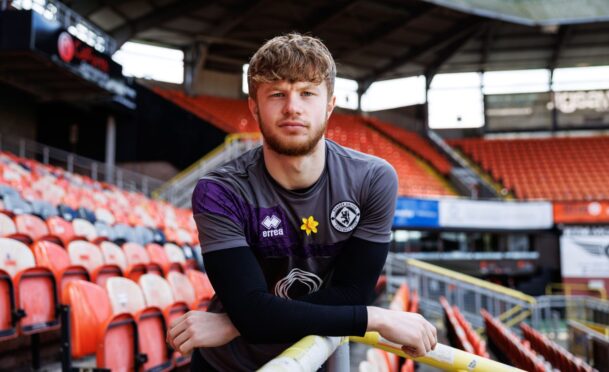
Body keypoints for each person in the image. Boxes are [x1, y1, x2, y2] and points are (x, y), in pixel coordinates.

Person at [167, 33, 437, 371]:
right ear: (254, 107)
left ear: (329, 105)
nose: (292, 106)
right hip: (226, 364)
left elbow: (351, 296)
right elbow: (253, 310)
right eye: (277, 94)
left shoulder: (372, 180)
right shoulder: (220, 190)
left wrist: (237, 322)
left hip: (311, 356)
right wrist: (376, 318)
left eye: (307, 93)